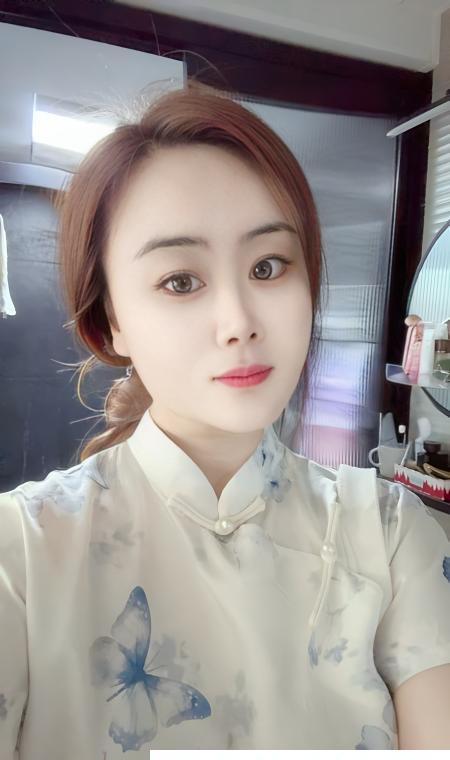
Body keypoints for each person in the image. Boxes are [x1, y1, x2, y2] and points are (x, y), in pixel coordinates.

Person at [1, 79, 449, 758]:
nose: (239, 321)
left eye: (268, 266)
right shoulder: (22, 556)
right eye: (181, 281)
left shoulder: (389, 534)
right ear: (110, 321)